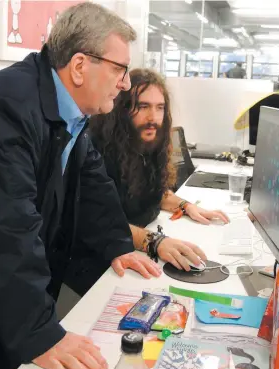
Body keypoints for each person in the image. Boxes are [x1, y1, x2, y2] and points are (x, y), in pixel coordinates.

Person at [0, 4, 162, 369]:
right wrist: (39, 333)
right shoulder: (4, 107)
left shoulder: (66, 109)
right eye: (120, 69)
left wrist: (117, 246)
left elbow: (91, 182)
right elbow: (4, 230)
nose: (125, 83)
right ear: (78, 66)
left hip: (10, 293)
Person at [64, 69, 229, 295]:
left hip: (137, 246)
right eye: (143, 107)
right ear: (122, 109)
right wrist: (154, 242)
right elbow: (95, 218)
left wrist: (186, 206)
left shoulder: (147, 144)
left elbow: (152, 191)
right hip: (99, 256)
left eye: (159, 107)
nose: (153, 118)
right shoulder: (97, 148)